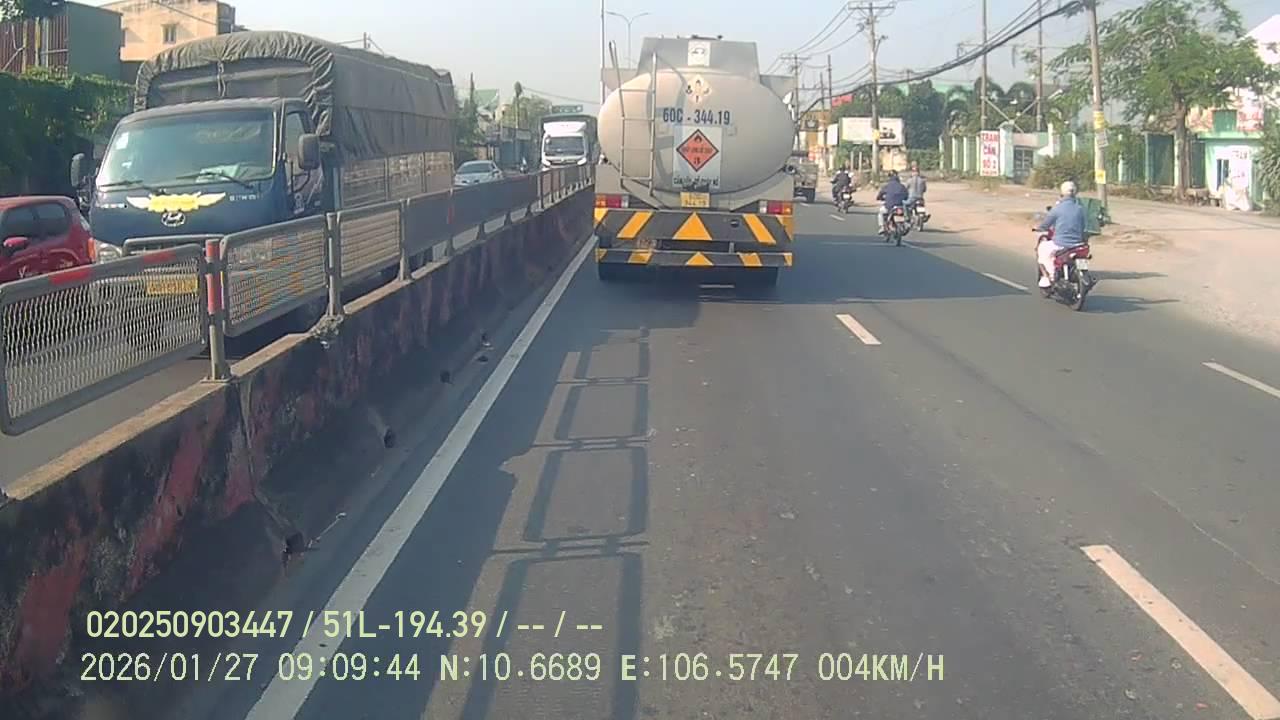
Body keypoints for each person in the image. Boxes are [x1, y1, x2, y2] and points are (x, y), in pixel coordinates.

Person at [1034, 180, 1088, 288]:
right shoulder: (1080, 209)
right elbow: (1083, 226)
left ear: (1062, 193)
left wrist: (1039, 228)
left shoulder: (1057, 209)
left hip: (1060, 243)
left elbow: (1046, 224)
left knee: (1042, 250)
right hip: (1078, 244)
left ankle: (1050, 276)